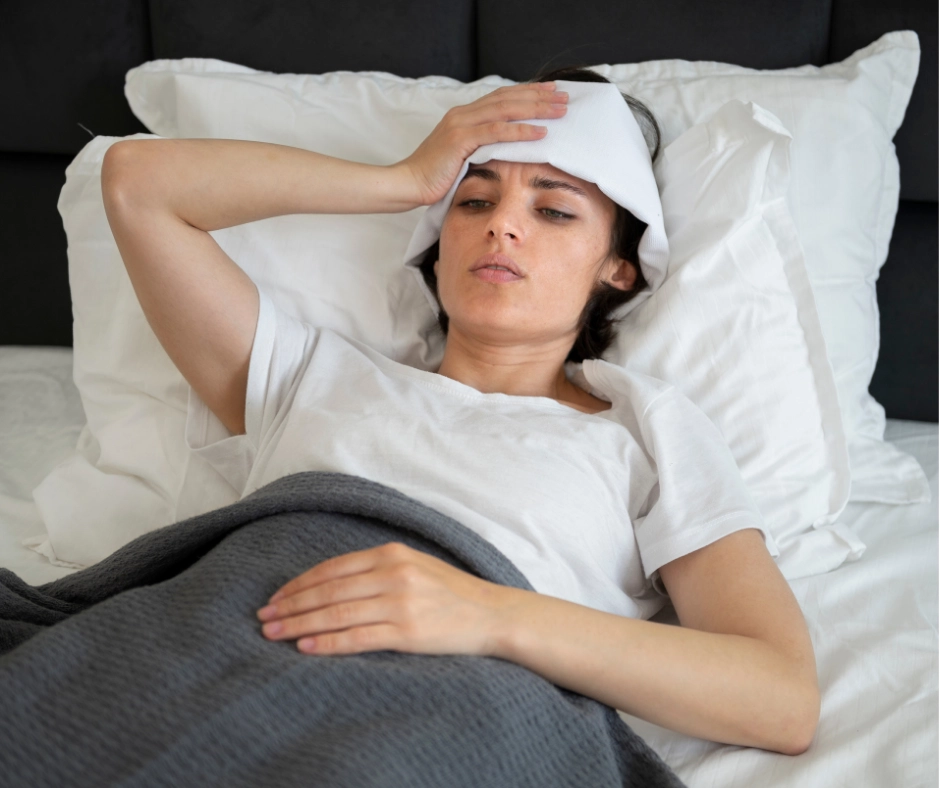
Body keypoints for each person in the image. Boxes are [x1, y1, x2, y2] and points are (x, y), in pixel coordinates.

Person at [100, 70, 819, 756]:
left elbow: (780, 696)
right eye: (473, 203)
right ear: (435, 248)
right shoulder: (308, 374)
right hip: (199, 645)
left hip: (428, 719)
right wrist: (404, 182)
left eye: (554, 209)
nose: (503, 224)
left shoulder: (640, 430)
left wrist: (488, 614)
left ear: (617, 268)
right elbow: (137, 183)